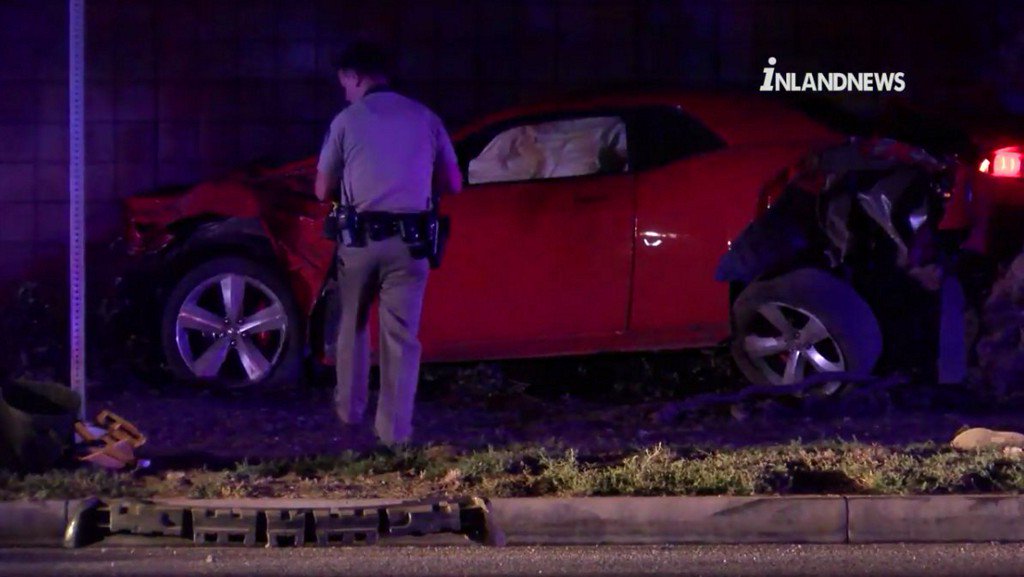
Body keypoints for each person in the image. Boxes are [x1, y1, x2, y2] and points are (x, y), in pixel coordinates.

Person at [315, 41, 462, 445]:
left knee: (352, 325)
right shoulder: (425, 117)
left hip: (359, 240)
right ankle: (394, 434)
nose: (343, 87)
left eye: (343, 79)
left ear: (356, 76)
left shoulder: (346, 120)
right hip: (410, 243)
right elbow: (453, 182)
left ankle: (349, 415)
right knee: (400, 336)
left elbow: (321, 188)